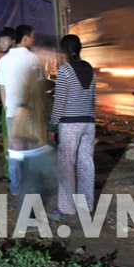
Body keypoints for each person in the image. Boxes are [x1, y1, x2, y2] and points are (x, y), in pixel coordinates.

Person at [48, 35, 97, 215]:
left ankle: (67, 207)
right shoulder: (91, 70)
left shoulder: (65, 71)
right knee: (86, 162)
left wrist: (53, 125)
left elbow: (60, 101)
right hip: (88, 123)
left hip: (70, 124)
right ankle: (87, 204)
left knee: (67, 164)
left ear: (63, 51)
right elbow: (94, 99)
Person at [0, 24, 42, 196]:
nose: (34, 39)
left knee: (14, 152)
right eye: (33, 36)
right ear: (26, 38)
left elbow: (2, 89)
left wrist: (8, 107)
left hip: (12, 113)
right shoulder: (33, 59)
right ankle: (31, 187)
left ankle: (16, 187)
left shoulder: (3, 60)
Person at [0, 27, 16, 181]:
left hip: (9, 107)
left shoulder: (4, 61)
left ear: (13, 41)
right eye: (0, 40)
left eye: (4, 40)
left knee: (9, 142)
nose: (0, 43)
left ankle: (11, 175)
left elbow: (2, 87)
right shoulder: (28, 58)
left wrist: (5, 106)